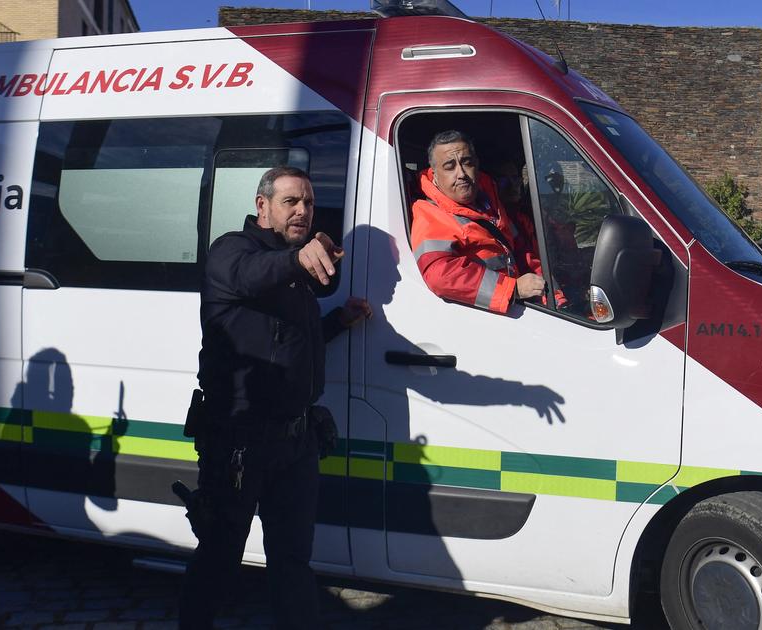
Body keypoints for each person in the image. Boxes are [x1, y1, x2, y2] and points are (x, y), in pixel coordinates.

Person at [180, 166, 371, 629]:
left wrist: (336, 323)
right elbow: (249, 276)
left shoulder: (290, 265)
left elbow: (285, 341)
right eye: (291, 201)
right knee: (221, 555)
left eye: (308, 201)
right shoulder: (233, 251)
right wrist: (298, 261)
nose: (304, 210)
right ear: (262, 206)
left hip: (295, 440)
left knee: (292, 560)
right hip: (239, 440)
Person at [410, 130, 547, 315]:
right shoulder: (429, 213)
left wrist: (553, 296)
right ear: (434, 175)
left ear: (477, 165)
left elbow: (522, 251)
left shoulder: (490, 202)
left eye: (467, 163)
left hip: (522, 311)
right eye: (449, 166)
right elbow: (440, 274)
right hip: (484, 317)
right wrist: (512, 289)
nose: (461, 174)